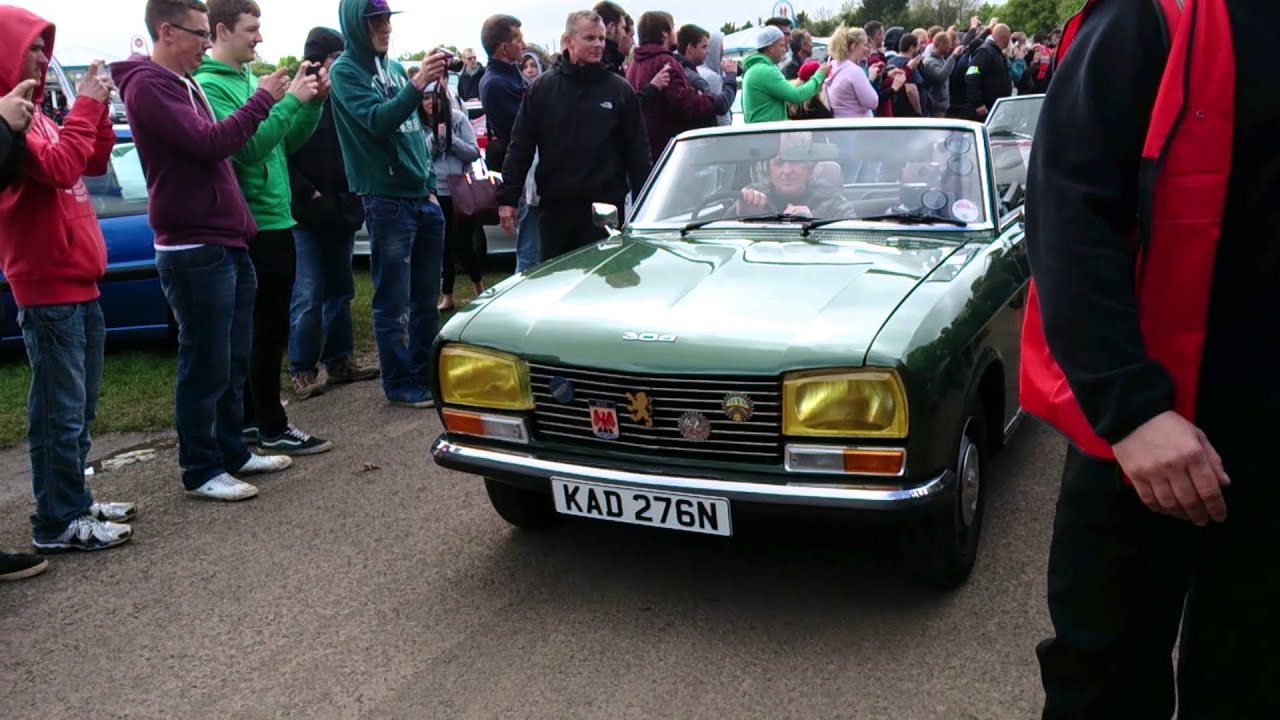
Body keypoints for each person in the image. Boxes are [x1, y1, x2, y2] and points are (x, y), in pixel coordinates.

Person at [1023, 0, 1280, 717]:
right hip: (1151, 431)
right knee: (1104, 677)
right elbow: (1066, 208)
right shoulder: (1150, 14)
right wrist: (1130, 409)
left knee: (1254, 674)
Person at [115, 0, 295, 501]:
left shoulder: (184, 83)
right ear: (167, 31)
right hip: (192, 248)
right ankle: (200, 468)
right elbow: (211, 144)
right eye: (198, 34)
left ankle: (232, 450)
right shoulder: (149, 86)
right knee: (205, 362)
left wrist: (241, 222)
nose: (205, 43)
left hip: (224, 240)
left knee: (233, 357)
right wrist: (262, 101)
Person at [0, 6, 137, 552]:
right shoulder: (11, 125)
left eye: (45, 45)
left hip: (80, 281)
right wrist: (83, 103)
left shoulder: (34, 118)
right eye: (33, 46)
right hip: (47, 286)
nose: (43, 55)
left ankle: (73, 502)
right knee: (59, 412)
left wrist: (98, 110)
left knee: (79, 409)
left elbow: (91, 162)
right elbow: (57, 168)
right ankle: (58, 520)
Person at [194, 0, 333, 456]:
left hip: (276, 216)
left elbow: (286, 141)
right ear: (222, 31)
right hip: (253, 223)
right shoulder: (209, 88)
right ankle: (271, 423)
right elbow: (250, 149)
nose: (259, 37)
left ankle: (256, 420)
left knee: (265, 328)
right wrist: (288, 99)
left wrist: (310, 104)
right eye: (252, 29)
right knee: (264, 329)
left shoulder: (252, 81)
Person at [328, 0, 449, 408]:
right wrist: (417, 85)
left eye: (386, 19)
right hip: (386, 199)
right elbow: (378, 121)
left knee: (425, 298)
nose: (385, 28)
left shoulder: (394, 69)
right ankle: (398, 383)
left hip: (421, 197)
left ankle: (421, 375)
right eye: (375, 21)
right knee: (392, 301)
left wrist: (430, 184)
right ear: (355, 24)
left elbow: (414, 133)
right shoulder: (345, 71)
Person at [497, 10, 650, 262]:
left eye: (601, 39)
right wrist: (507, 199)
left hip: (605, 211)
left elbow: (638, 153)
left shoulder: (619, 89)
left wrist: (646, 204)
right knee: (558, 286)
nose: (598, 45)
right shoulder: (542, 89)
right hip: (556, 210)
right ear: (568, 41)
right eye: (590, 38)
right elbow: (520, 146)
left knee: (605, 287)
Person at [287, 27, 381, 400]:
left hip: (342, 211)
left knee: (340, 291)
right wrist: (307, 191)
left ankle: (340, 361)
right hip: (306, 215)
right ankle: (302, 369)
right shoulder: (300, 98)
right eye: (336, 56)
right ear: (319, 60)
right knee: (308, 293)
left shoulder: (345, 97)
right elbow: (282, 152)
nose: (342, 62)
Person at [421, 86, 484, 312]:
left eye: (434, 97)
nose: (429, 102)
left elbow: (474, 152)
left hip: (460, 189)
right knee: (443, 245)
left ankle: (480, 288)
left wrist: (451, 139)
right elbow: (421, 156)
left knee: (465, 243)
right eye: (425, 98)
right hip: (435, 191)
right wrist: (436, 141)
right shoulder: (418, 123)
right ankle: (447, 295)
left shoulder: (457, 118)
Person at [625, 12, 721, 159]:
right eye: (673, 28)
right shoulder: (665, 61)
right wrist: (711, 100)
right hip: (669, 149)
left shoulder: (634, 64)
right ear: (664, 34)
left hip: (644, 148)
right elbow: (684, 103)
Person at [735, 135, 856, 219]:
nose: (787, 171)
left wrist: (813, 223)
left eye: (795, 161)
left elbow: (854, 241)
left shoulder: (831, 201)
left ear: (810, 167)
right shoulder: (752, 198)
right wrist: (740, 214)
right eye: (779, 163)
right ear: (768, 170)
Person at [740, 25, 829, 124]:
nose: (785, 50)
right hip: (767, 135)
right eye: (781, 45)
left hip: (760, 134)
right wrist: (819, 75)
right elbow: (797, 95)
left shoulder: (753, 69)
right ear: (771, 48)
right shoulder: (766, 71)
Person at [675, 24, 736, 130]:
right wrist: (731, 77)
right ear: (690, 47)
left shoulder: (680, 71)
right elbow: (720, 107)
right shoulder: (698, 79)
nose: (708, 52)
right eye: (704, 47)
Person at [822, 27, 881, 120]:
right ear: (854, 46)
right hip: (857, 127)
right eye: (865, 45)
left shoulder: (833, 65)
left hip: (839, 124)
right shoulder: (854, 71)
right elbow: (872, 102)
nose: (867, 49)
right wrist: (870, 79)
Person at [964, 23, 1012, 120]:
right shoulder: (985, 52)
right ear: (1004, 37)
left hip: (994, 108)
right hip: (984, 110)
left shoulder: (995, 52)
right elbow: (972, 75)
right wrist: (978, 103)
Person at [921, 31, 963, 117]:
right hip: (935, 109)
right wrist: (953, 56)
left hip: (942, 108)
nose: (950, 46)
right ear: (941, 44)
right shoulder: (930, 62)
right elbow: (941, 76)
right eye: (948, 44)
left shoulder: (941, 59)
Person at [696, 31, 734, 126]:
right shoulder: (712, 78)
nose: (723, 53)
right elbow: (722, 116)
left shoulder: (696, 71)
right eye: (721, 49)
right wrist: (731, 75)